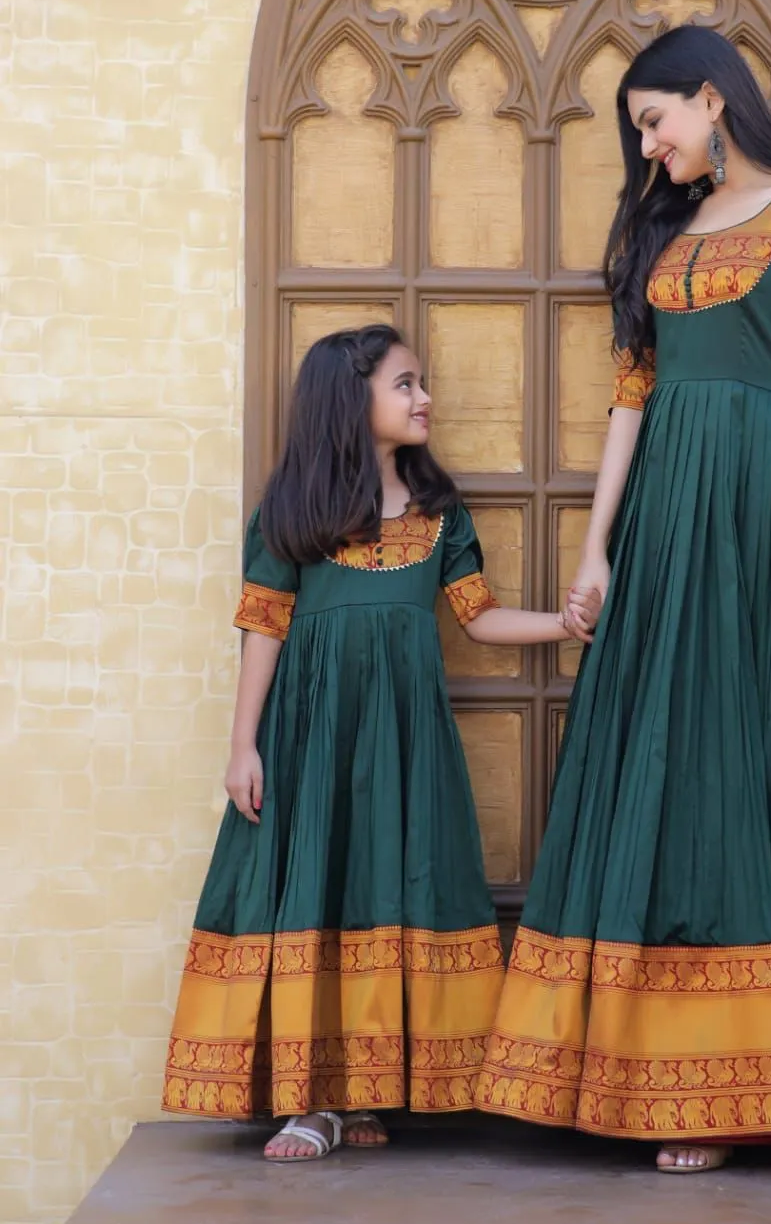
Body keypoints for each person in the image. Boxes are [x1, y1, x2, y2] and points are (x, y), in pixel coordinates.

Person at [476, 25, 771, 1171]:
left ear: (710, 97)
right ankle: (657, 1074)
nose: (648, 147)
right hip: (670, 534)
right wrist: (595, 554)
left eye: (653, 119)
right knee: (668, 761)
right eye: (639, 130)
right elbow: (631, 402)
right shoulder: (663, 235)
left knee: (768, 762)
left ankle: (756, 1086)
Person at [162, 325, 601, 1161]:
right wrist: (242, 746)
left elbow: (479, 615)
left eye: (420, 382)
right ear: (350, 400)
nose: (423, 397)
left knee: (390, 892)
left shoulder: (439, 514)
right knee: (320, 895)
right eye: (405, 385)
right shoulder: (294, 513)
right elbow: (264, 629)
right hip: (312, 742)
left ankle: (370, 1093)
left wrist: (564, 624)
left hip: (405, 747)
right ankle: (313, 1102)